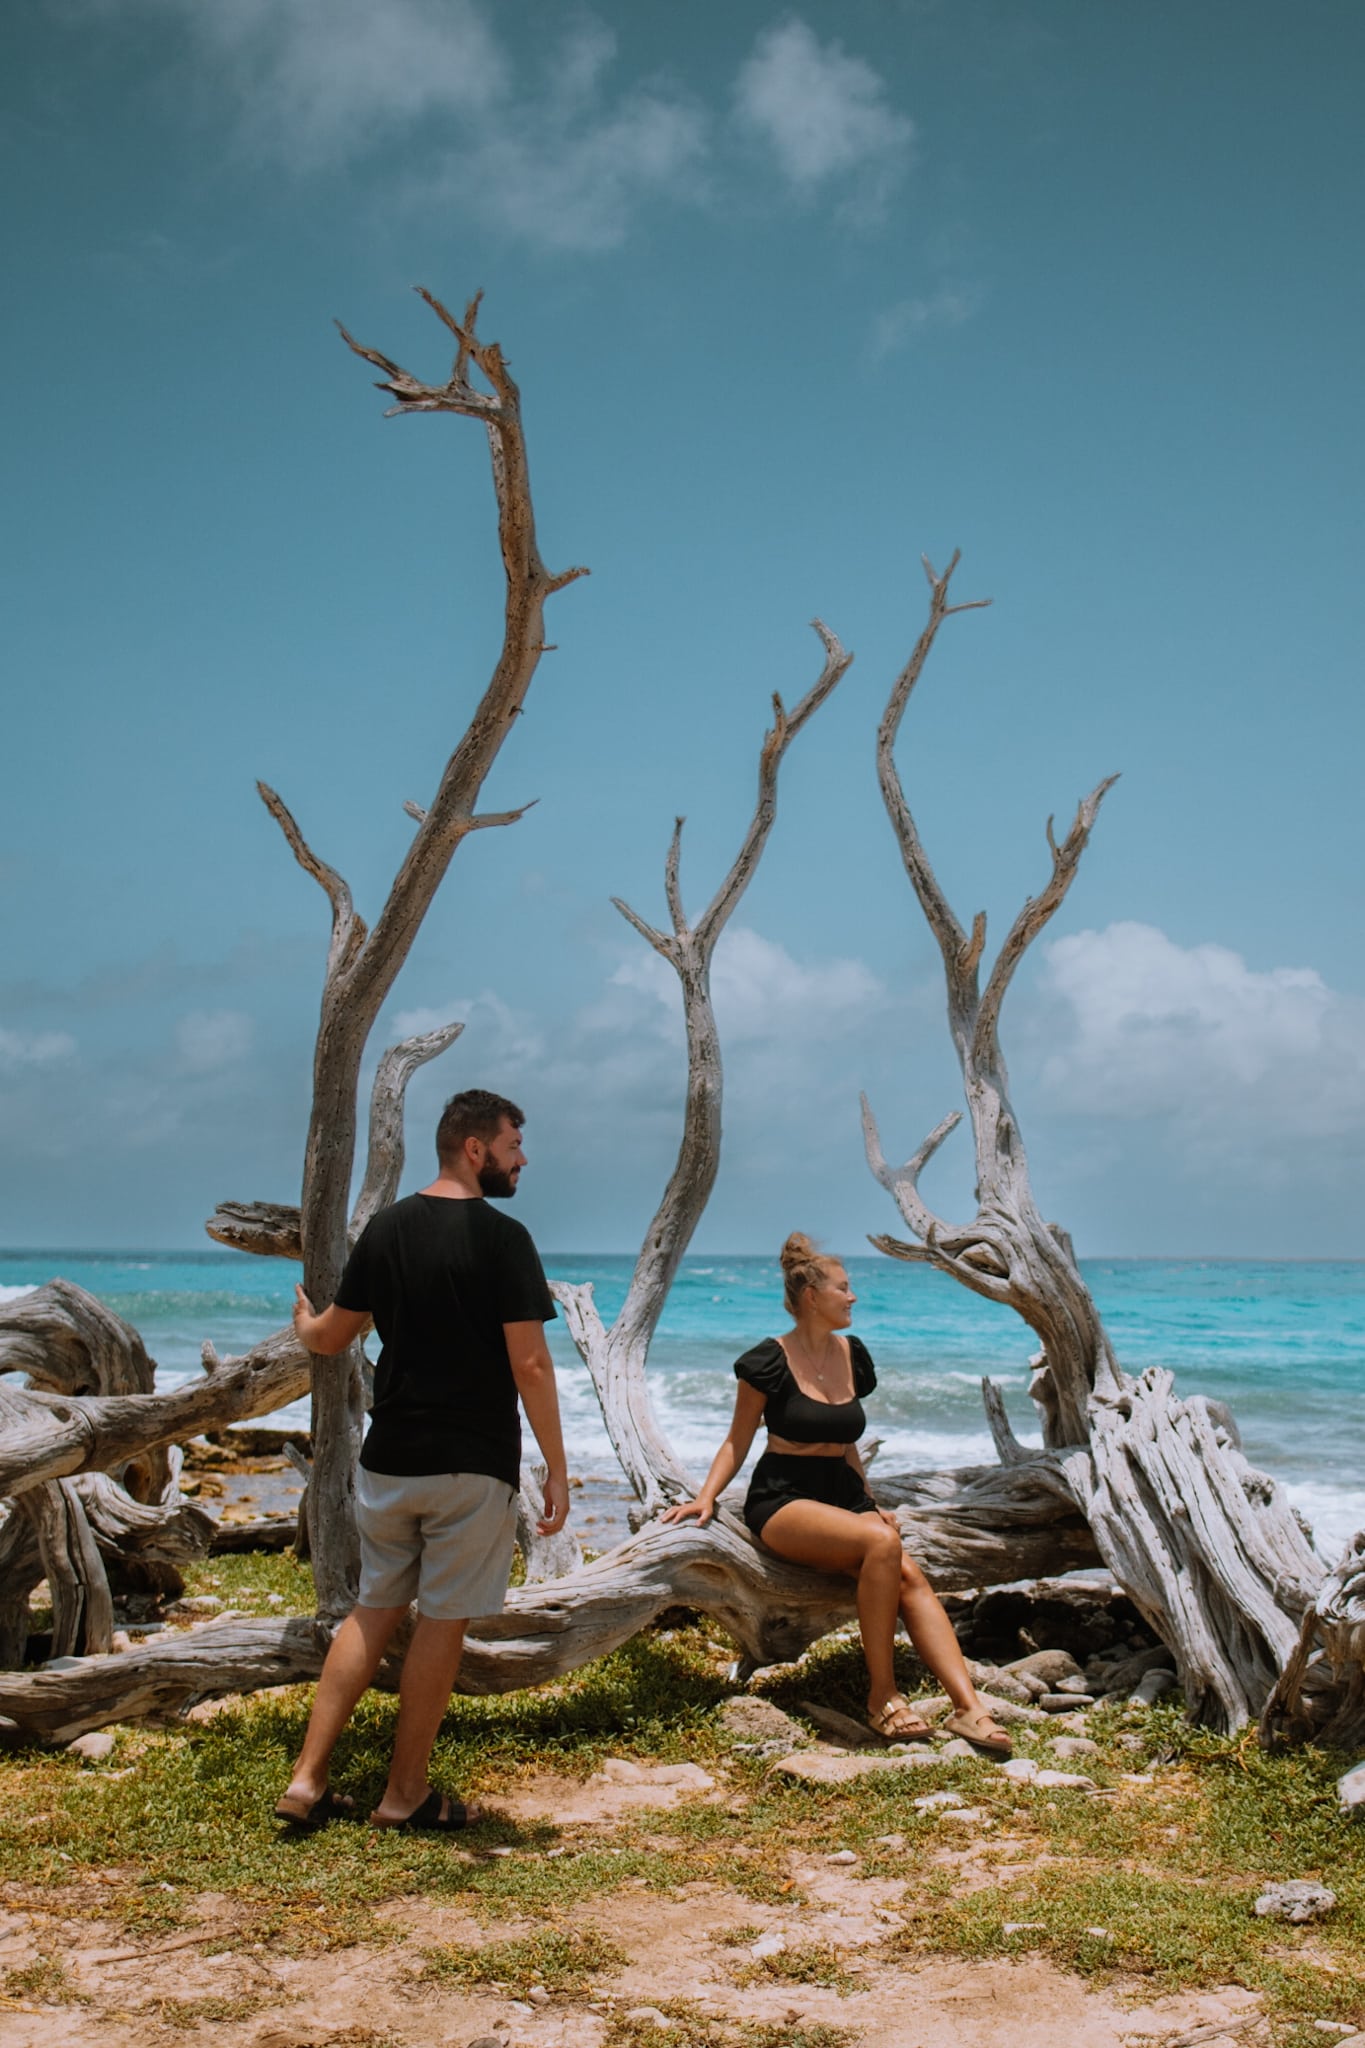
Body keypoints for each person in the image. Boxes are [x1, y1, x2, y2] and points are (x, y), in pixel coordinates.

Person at [274, 1088, 568, 1832]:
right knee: (441, 1623)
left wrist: (306, 1322)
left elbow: (334, 1336)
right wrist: (557, 1469)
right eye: (512, 1144)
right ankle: (403, 1795)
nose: (521, 1159)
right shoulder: (504, 1240)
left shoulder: (388, 1229)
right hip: (470, 1465)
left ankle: (306, 1781)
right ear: (475, 1149)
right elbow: (530, 1365)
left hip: (390, 1460)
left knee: (372, 1612)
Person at [662, 1233, 1011, 1753]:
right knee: (882, 1548)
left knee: (908, 1575)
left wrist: (869, 1505)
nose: (853, 1298)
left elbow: (847, 1443)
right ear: (811, 1297)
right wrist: (706, 1497)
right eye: (843, 1289)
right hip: (784, 1497)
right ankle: (883, 1698)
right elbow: (737, 1439)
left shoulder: (854, 1354)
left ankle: (969, 1709)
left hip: (842, 1494)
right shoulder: (768, 1361)